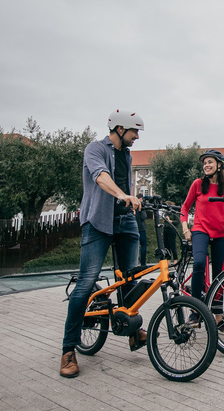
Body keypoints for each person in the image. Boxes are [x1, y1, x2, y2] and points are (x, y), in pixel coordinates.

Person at [60, 110, 146, 379]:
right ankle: (68, 350)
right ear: (119, 129)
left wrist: (132, 202)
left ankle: (132, 331)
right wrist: (123, 195)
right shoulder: (95, 149)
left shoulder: (127, 155)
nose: (137, 136)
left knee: (129, 279)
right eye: (134, 131)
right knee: (86, 283)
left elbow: (124, 181)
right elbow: (100, 176)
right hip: (98, 222)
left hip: (125, 223)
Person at [180, 149, 224, 336]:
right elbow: (185, 207)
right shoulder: (197, 184)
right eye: (204, 163)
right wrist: (185, 228)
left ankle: (218, 318)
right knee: (198, 264)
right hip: (200, 230)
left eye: (210, 162)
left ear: (219, 165)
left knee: (219, 275)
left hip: (220, 232)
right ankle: (195, 311)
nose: (206, 165)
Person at [136, 193, 148, 266]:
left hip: (134, 227)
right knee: (143, 245)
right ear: (141, 198)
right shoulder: (141, 206)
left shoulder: (133, 205)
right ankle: (143, 263)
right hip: (141, 228)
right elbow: (144, 217)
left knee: (135, 245)